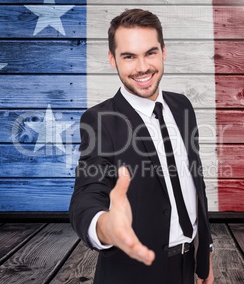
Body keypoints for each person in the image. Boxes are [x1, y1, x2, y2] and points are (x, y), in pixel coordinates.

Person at [69, 8, 214, 284]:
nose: (142, 67)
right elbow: (87, 193)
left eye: (150, 52)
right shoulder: (99, 120)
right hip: (133, 274)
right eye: (129, 56)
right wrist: (103, 226)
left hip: (189, 267)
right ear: (112, 59)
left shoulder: (182, 106)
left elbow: (194, 185)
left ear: (163, 51)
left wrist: (205, 254)